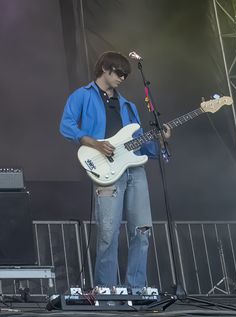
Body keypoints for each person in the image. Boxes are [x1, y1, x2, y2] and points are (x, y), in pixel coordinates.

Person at [59, 51, 163, 291]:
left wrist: (159, 140)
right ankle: (106, 289)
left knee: (142, 230)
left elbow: (138, 141)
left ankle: (136, 288)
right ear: (105, 68)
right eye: (119, 73)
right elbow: (66, 126)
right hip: (105, 170)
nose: (123, 78)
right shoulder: (82, 96)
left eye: (126, 75)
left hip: (134, 169)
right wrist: (94, 143)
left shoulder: (127, 105)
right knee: (108, 232)